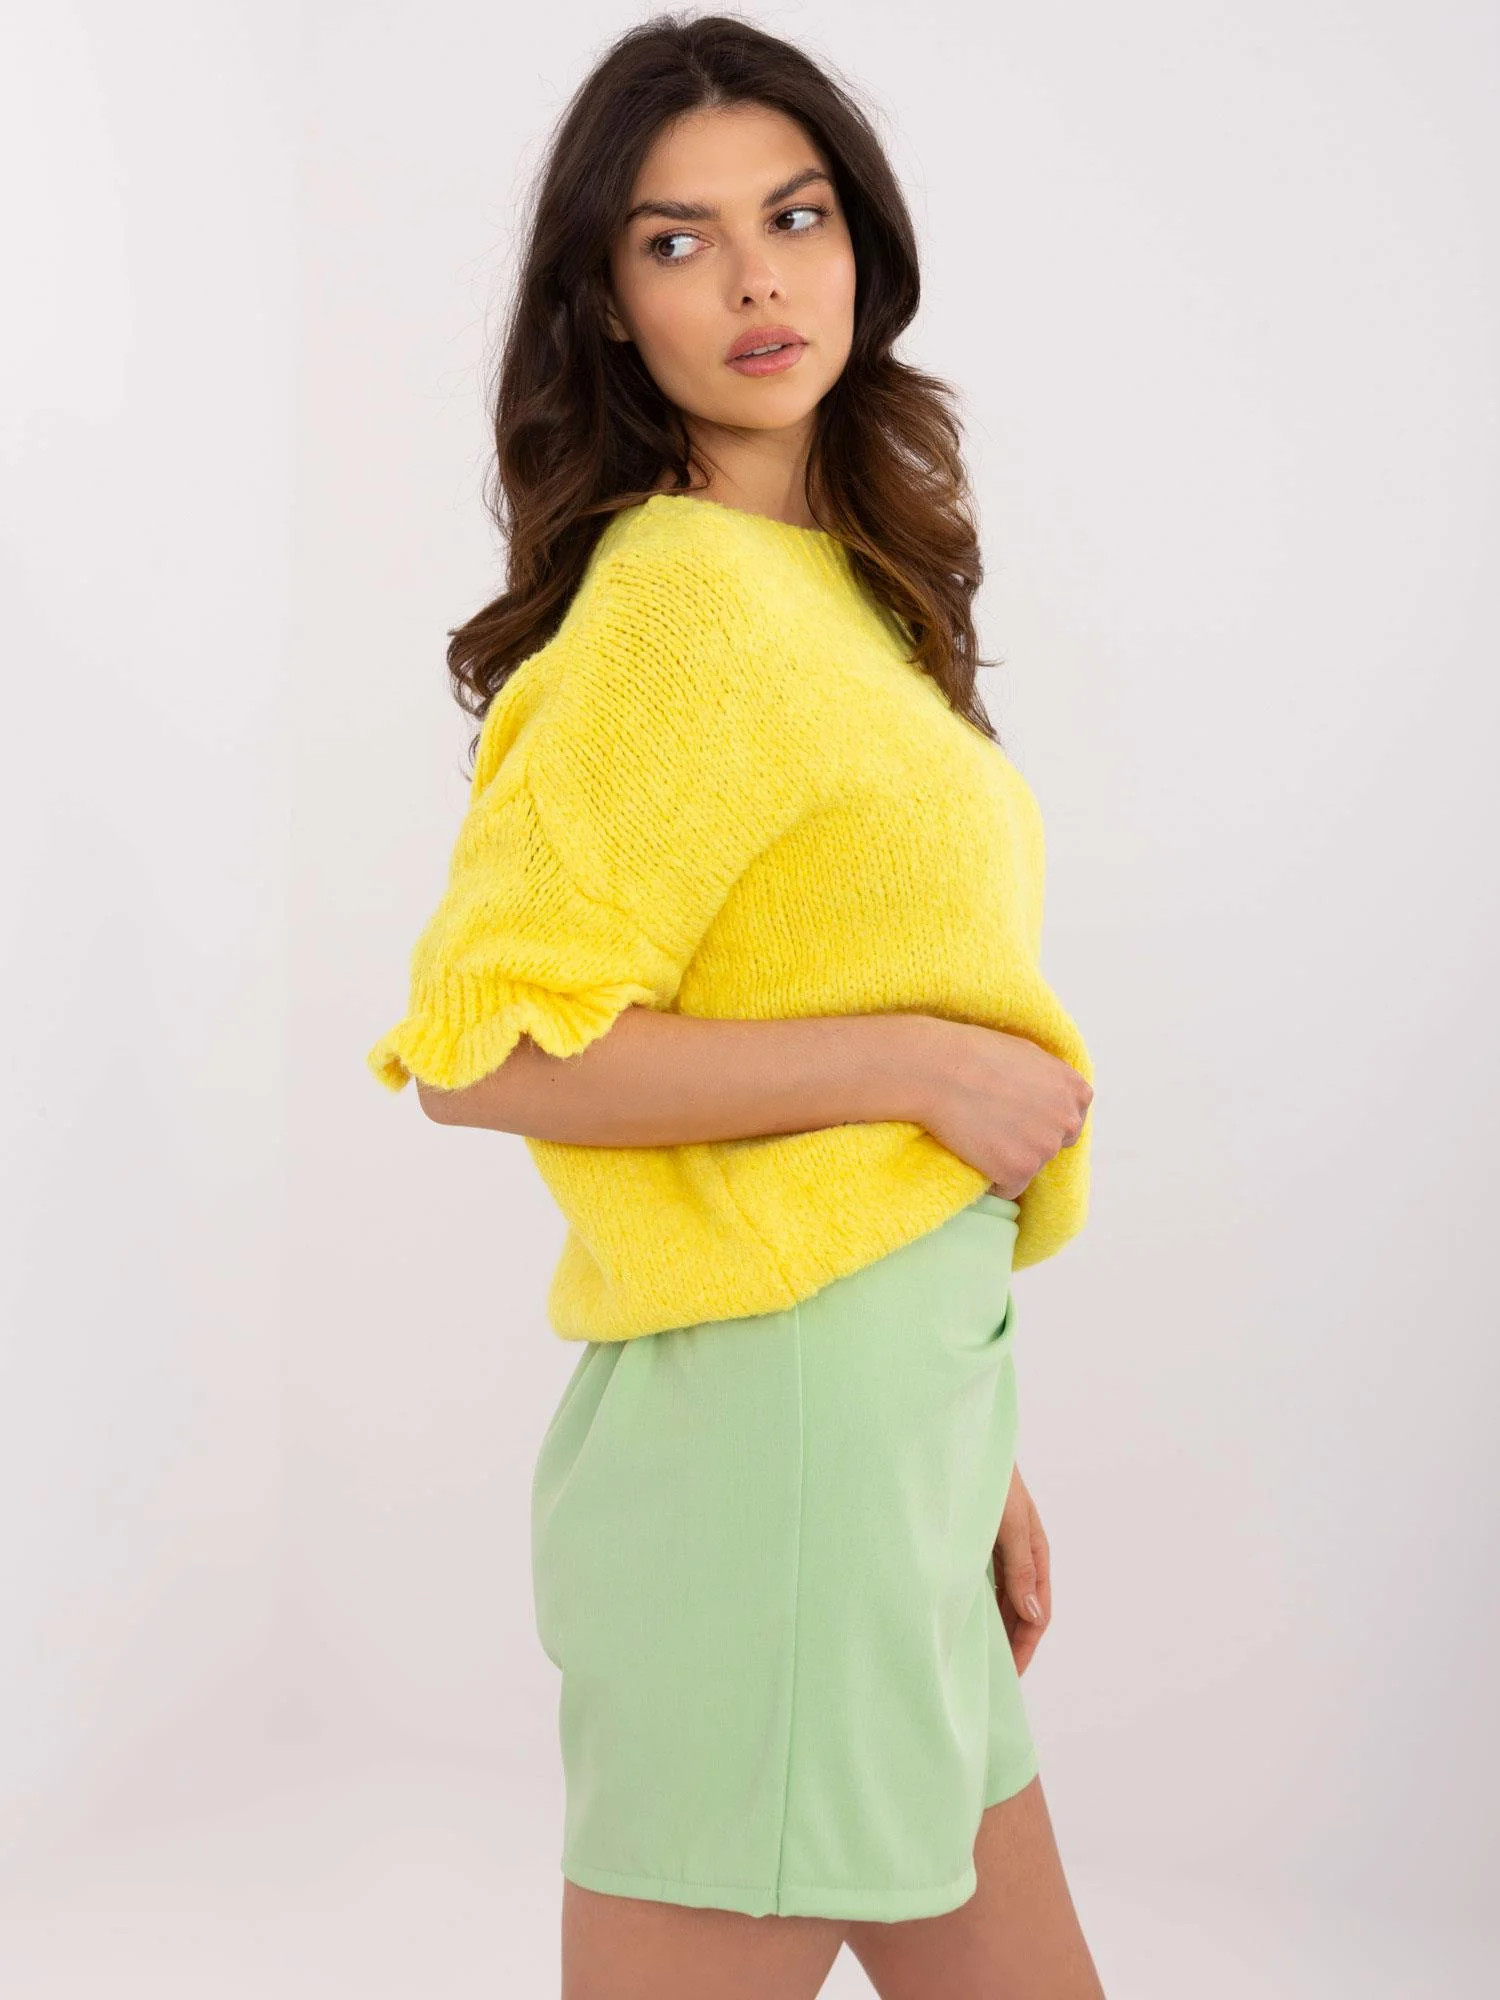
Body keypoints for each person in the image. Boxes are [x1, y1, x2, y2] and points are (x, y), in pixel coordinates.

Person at [366, 14, 1105, 1997]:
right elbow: (485, 1048)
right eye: (677, 242)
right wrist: (920, 1065)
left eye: (795, 217)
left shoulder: (843, 593)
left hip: (882, 1419)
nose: (760, 281)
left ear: (861, 242)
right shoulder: (678, 601)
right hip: (779, 1452)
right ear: (607, 306)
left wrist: (966, 1445)